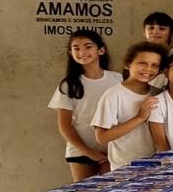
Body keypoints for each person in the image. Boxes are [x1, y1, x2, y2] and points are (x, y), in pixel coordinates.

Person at [48, 30, 121, 181]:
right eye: (76, 48)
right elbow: (64, 126)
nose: (82, 52)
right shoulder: (69, 85)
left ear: (101, 50)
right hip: (80, 151)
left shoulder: (117, 79)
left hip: (112, 149)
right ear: (71, 53)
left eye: (88, 47)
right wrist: (88, 152)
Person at [91, 42, 167, 170]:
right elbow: (102, 137)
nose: (148, 69)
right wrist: (140, 117)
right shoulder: (113, 95)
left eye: (154, 65)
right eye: (142, 63)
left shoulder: (157, 94)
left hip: (154, 165)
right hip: (124, 167)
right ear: (128, 64)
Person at [143, 11, 173, 89]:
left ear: (171, 33)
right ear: (144, 32)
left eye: (162, 28)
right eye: (151, 28)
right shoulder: (138, 55)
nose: (155, 32)